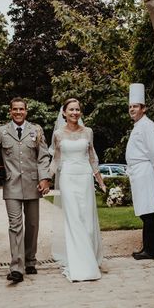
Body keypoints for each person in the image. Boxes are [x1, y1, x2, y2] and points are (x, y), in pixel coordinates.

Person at [0, 97, 51, 284]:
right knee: (15, 225)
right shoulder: (1, 131)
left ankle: (30, 260)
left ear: (26, 111)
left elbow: (43, 157)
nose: (18, 112)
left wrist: (45, 178)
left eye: (21, 109)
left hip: (33, 184)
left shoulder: (36, 130)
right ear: (10, 111)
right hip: (11, 185)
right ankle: (16, 268)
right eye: (15, 109)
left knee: (33, 225)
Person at [50, 98, 106, 281]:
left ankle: (90, 255)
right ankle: (80, 264)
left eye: (77, 109)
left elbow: (92, 157)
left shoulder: (88, 132)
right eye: (71, 110)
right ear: (64, 113)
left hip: (85, 178)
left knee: (88, 220)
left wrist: (100, 180)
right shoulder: (58, 134)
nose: (75, 113)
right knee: (73, 219)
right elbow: (56, 160)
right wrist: (45, 179)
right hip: (67, 178)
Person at [126, 83, 154, 260]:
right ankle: (147, 247)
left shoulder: (147, 125)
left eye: (135, 106)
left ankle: (151, 250)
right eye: (130, 107)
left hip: (144, 170)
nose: (132, 109)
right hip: (137, 171)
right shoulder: (138, 125)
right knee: (143, 209)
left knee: (148, 210)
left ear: (144, 108)